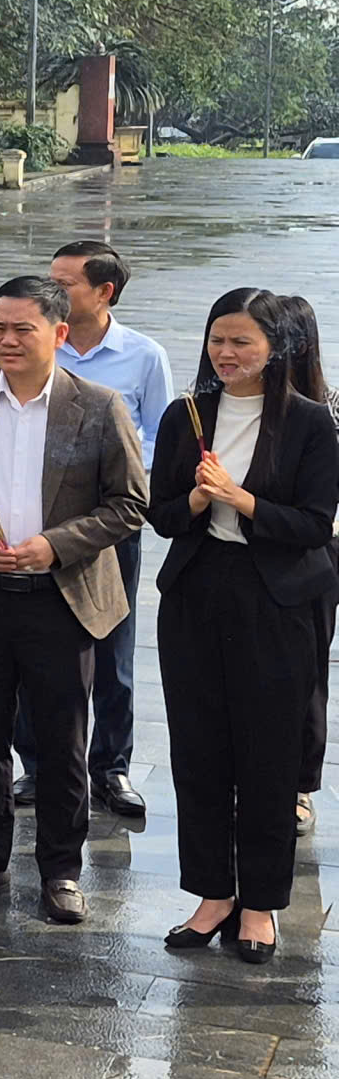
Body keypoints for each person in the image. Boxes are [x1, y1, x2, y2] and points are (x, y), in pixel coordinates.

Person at [0, 276, 147, 925]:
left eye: (22, 329)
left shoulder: (98, 406)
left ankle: (62, 871)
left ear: (59, 333)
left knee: (63, 739)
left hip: (61, 598)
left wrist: (58, 544)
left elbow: (129, 503)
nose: (6, 341)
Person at [148, 289, 336, 965]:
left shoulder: (312, 423)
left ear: (276, 349)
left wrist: (243, 500)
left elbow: (315, 525)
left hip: (277, 600)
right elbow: (162, 513)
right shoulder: (186, 414)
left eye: (242, 343)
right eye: (217, 340)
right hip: (197, 594)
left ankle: (259, 904)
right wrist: (197, 500)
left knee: (267, 755)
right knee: (198, 752)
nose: (225, 354)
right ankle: (212, 894)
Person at [15, 240, 173, 818]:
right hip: (33, 525)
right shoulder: (35, 344)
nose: (53, 290)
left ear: (104, 292)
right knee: (31, 648)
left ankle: (111, 766)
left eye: (67, 283)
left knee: (111, 647)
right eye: (49, 279)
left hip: (107, 528)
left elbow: (160, 438)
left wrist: (111, 465)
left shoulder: (142, 356)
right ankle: (36, 766)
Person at [284, 294, 336, 835]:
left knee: (306, 676)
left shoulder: (329, 408)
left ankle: (299, 785)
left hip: (313, 554)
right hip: (241, 554)